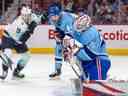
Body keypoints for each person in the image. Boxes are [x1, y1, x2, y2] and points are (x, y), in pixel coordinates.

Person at [0, 6, 44, 80]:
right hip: (9, 38)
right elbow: (23, 38)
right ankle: (4, 72)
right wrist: (31, 29)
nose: (26, 17)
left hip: (18, 39)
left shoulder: (32, 16)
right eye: (24, 15)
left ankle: (16, 72)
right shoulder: (19, 24)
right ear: (21, 15)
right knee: (8, 54)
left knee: (27, 56)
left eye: (28, 15)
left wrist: (42, 17)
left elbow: (38, 18)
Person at [65, 14, 111, 80]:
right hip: (89, 61)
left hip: (98, 61)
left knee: (96, 83)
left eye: (80, 26)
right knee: (90, 81)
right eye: (77, 25)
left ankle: (103, 78)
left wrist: (72, 52)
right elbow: (71, 38)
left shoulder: (91, 32)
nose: (78, 27)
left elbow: (88, 53)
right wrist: (67, 51)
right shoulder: (79, 30)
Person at [48, 5, 77, 78]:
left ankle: (85, 69)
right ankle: (57, 71)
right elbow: (58, 30)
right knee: (58, 48)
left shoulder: (66, 19)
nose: (52, 18)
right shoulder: (53, 19)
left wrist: (66, 49)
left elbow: (70, 34)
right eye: (51, 16)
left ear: (59, 14)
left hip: (78, 30)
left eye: (54, 16)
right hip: (67, 31)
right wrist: (58, 38)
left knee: (75, 51)